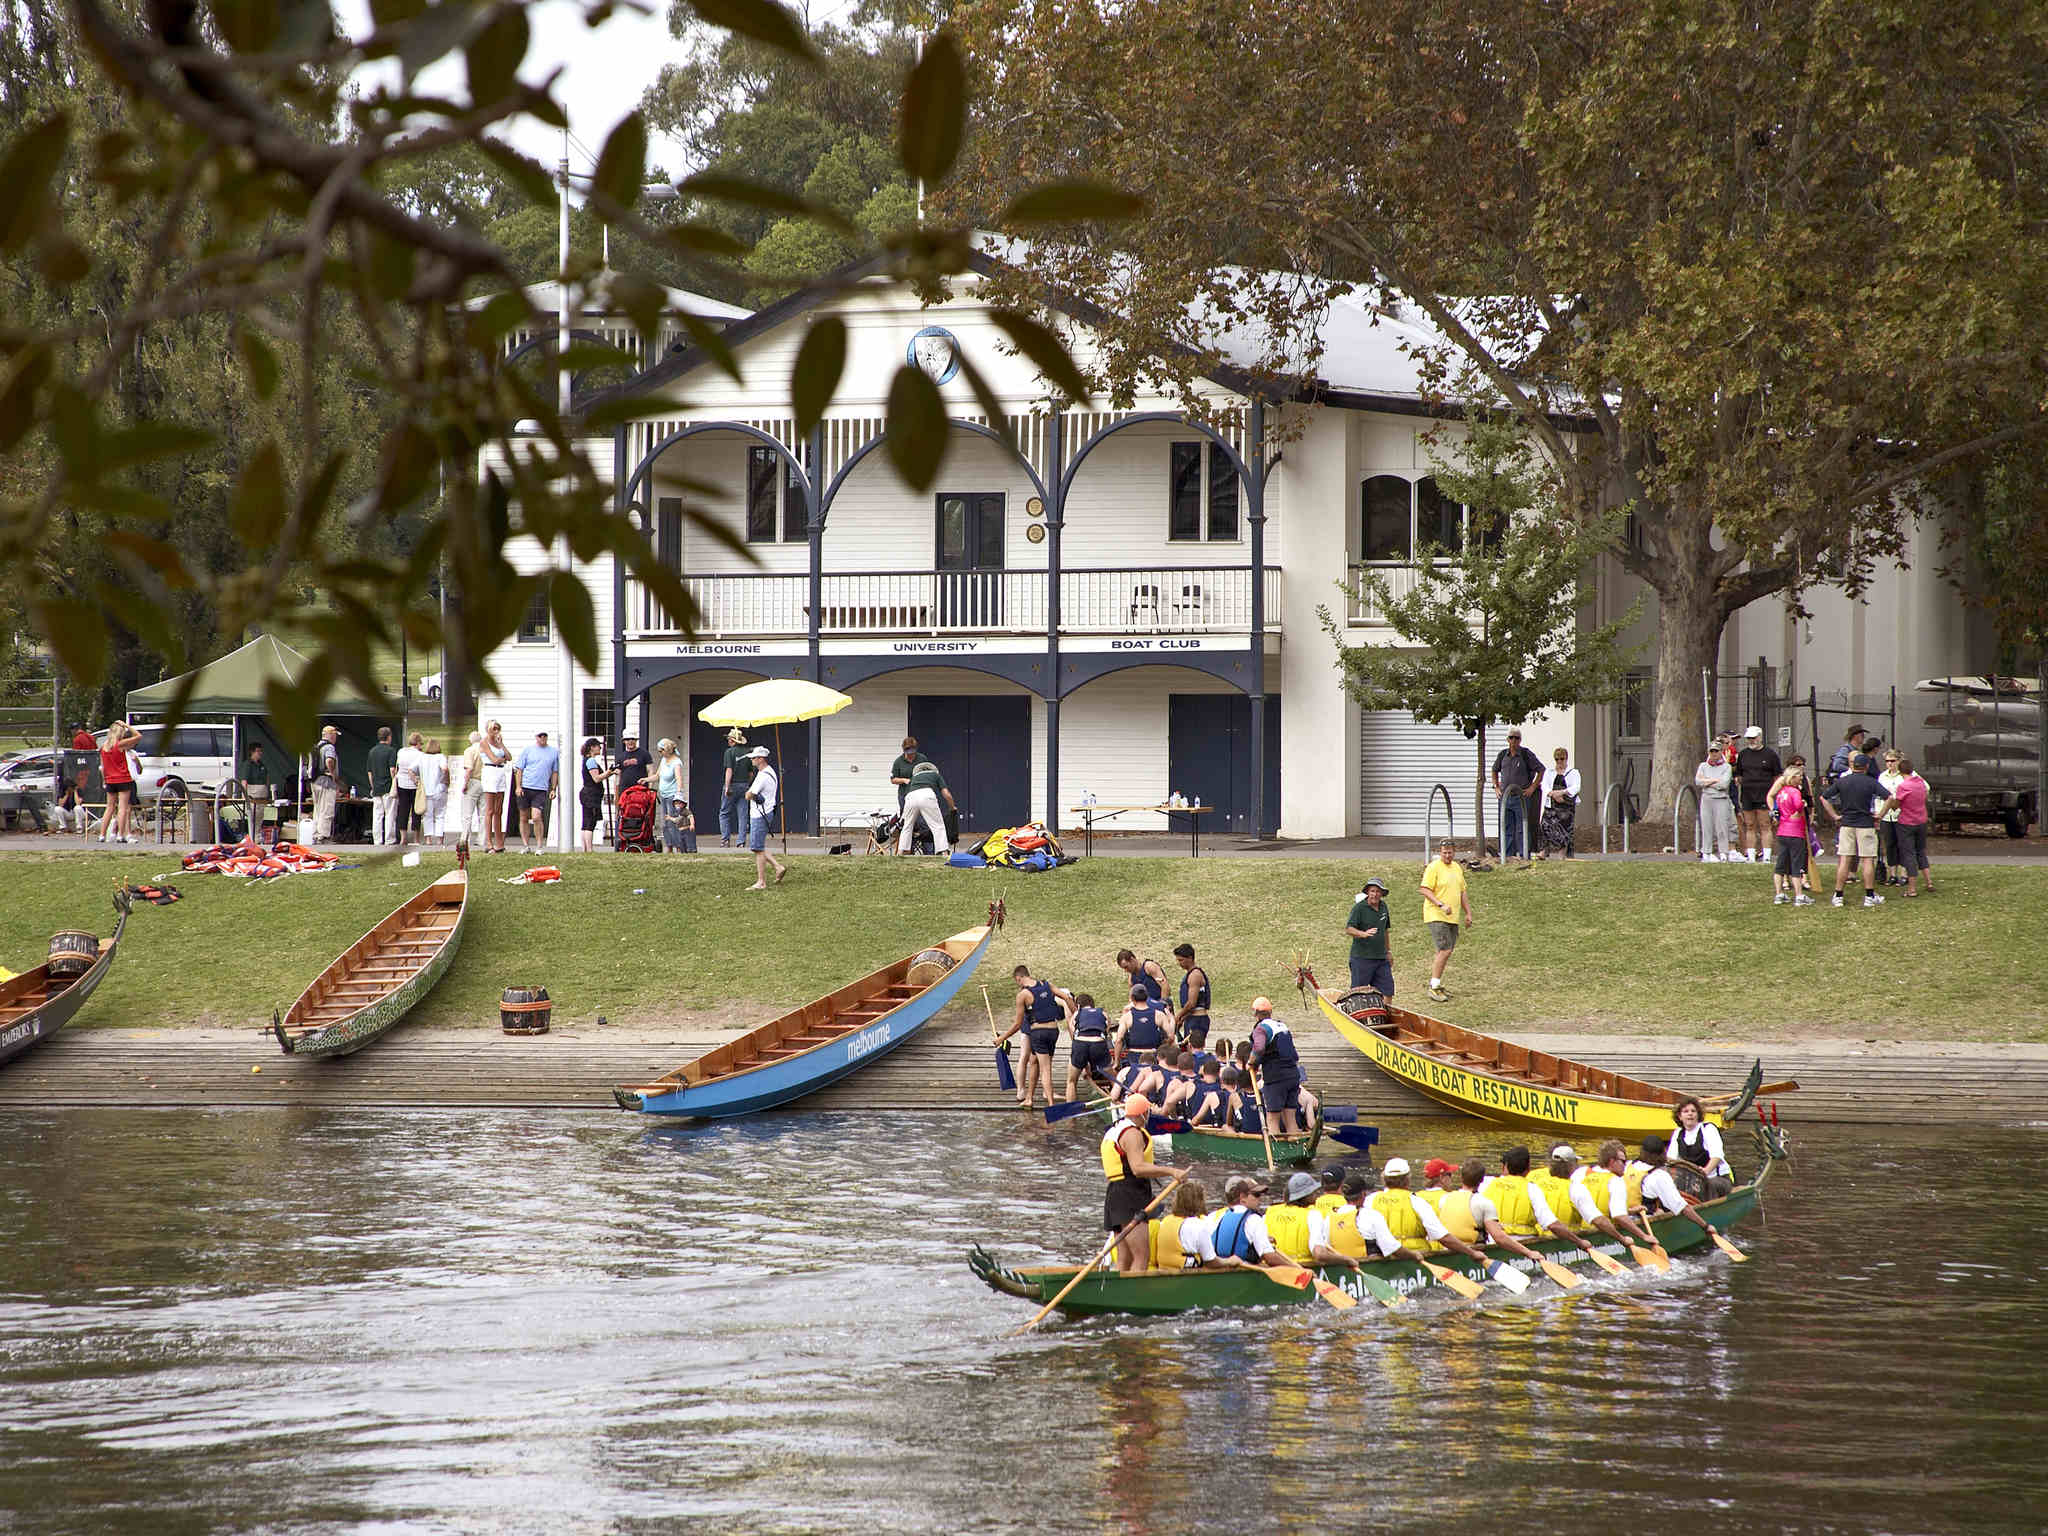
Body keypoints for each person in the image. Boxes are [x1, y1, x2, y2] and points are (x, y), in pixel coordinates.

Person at [1101, 1093, 1180, 1275]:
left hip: (1115, 1193)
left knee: (1124, 1257)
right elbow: (1137, 1168)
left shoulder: (1115, 1128)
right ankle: (1132, 1293)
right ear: (1142, 1113)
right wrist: (1171, 1171)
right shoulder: (1132, 1133)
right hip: (1130, 1194)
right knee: (1141, 1255)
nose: (1148, 1117)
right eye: (1147, 1113)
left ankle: (1118, 1293)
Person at [1364, 1158, 1491, 1265]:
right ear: (1408, 1179)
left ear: (1384, 1179)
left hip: (1382, 1257)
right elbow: (1443, 1237)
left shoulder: (1370, 1200)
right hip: (1416, 1258)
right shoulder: (1416, 1202)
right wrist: (1472, 1253)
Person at [1483, 1144, 1594, 1258]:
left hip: (1494, 1241)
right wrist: (1579, 1242)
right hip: (1525, 1243)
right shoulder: (1531, 1189)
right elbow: (1552, 1225)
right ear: (1528, 1169)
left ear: (1505, 1167)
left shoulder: (1489, 1184)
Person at [1437, 1157, 1550, 1267]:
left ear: (1461, 1178)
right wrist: (1529, 1253)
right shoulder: (1483, 1203)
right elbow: (1499, 1238)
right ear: (1481, 1180)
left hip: (1446, 1251)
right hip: (1474, 1255)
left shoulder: (1444, 1199)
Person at [1000, 964, 1074, 1109]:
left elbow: (1017, 1024)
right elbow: (1066, 997)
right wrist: (1077, 1015)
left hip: (1038, 1034)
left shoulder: (1023, 995)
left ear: (1018, 978)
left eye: (1017, 981)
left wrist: (1002, 1038)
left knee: (1045, 1069)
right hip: (1054, 1032)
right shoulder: (1046, 984)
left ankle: (1052, 1105)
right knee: (1033, 1061)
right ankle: (1029, 1098)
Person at [1262, 1171, 1359, 1271]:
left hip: (1274, 1271)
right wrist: (1347, 1260)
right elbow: (1319, 1254)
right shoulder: (1312, 1215)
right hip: (1302, 1271)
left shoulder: (1268, 1214)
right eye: (1313, 1192)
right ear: (1306, 1195)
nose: (1317, 1194)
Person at [1830, 751, 1890, 908]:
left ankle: (1838, 895)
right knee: (1867, 860)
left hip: (1847, 824)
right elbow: (1890, 797)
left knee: (1845, 860)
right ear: (1866, 766)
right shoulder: (1870, 782)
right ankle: (1869, 896)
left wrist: (1834, 815)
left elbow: (1824, 797)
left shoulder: (1843, 781)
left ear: (1853, 765)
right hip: (1865, 824)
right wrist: (1880, 815)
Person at [1635, 1135, 1724, 1241]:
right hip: (1644, 1218)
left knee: (1659, 1207)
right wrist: (1706, 1226)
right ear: (1660, 1155)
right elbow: (1682, 1208)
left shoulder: (1629, 1166)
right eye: (1665, 1153)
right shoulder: (1659, 1176)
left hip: (1628, 1215)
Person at [1580, 1140, 1661, 1249]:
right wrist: (1644, 1236)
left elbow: (1600, 1207)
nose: (1625, 1165)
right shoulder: (1615, 1181)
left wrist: (1629, 1210)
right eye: (1623, 1161)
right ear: (1612, 1161)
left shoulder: (1586, 1179)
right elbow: (1619, 1217)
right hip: (1606, 1234)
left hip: (1585, 1230)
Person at [1420, 839, 1473, 1003]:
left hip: (1453, 917)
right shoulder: (1434, 867)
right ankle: (1433, 986)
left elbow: (1462, 892)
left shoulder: (1457, 868)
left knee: (1444, 951)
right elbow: (1424, 889)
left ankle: (1437, 983)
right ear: (1440, 852)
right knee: (1445, 949)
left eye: (1450, 852)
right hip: (1436, 915)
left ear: (1454, 852)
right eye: (1444, 852)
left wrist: (1468, 913)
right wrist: (1440, 904)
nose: (1447, 855)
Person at [1245, 996, 1305, 1138]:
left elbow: (1259, 1048)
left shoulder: (1261, 1028)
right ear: (1270, 1012)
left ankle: (1275, 1152)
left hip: (1276, 1078)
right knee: (1290, 1118)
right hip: (1293, 1075)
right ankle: (1295, 1144)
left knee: (1272, 1118)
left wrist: (1251, 1063)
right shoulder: (1282, 1026)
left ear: (1256, 1014)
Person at [1491, 727, 1543, 862]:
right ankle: (1507, 855)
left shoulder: (1526, 754)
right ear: (1507, 739)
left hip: (1521, 797)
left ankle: (1524, 854)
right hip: (1505, 797)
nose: (1514, 740)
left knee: (1522, 827)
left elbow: (1540, 770)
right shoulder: (1503, 755)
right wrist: (1496, 787)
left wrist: (1532, 787)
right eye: (1511, 737)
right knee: (1506, 826)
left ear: (1520, 740)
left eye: (1517, 738)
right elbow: (1494, 770)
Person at [1733, 725, 1783, 863]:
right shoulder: (1743, 754)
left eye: (1754, 738)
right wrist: (1739, 780)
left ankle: (1766, 856)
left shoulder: (1770, 754)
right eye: (1749, 738)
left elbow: (1777, 775)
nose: (1751, 741)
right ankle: (1750, 855)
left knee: (1765, 824)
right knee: (1749, 825)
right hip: (1747, 794)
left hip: (1764, 794)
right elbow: (1739, 773)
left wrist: (1774, 794)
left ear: (1760, 737)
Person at [1210, 1175, 1284, 1268]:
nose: (1259, 1199)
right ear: (1242, 1198)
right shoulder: (1254, 1219)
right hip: (1243, 1273)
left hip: (1219, 1272)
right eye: (1256, 1195)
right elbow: (1270, 1258)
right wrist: (1296, 1269)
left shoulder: (1217, 1216)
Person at [1769, 760, 1815, 906]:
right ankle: (1799, 896)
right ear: (1793, 777)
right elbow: (1798, 805)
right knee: (1796, 864)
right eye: (1799, 776)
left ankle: (1779, 894)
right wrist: (1804, 804)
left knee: (1780, 864)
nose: (1801, 778)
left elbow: (1779, 807)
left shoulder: (1781, 792)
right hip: (1795, 832)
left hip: (1782, 832)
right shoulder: (1795, 792)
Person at [1668, 1096, 1734, 1197]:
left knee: (1704, 1187)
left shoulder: (1708, 1129)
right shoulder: (1678, 1133)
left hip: (1717, 1178)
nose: (1690, 1114)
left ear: (1698, 1115)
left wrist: (1704, 1172)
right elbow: (1671, 1160)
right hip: (1691, 1180)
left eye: (1693, 1111)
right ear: (1680, 1116)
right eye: (1686, 1111)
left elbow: (1717, 1156)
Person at [742, 743, 787, 890]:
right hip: (766, 812)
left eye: (754, 758)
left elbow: (749, 795)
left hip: (759, 814)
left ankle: (761, 881)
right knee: (758, 846)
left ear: (761, 758)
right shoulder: (770, 771)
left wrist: (750, 793)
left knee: (757, 848)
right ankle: (777, 867)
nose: (752, 760)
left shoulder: (762, 776)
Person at [1891, 756, 1933, 896]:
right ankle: (1929, 882)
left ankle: (1912, 889)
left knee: (1909, 855)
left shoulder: (1903, 786)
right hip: (1921, 820)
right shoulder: (1920, 783)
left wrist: (1891, 802)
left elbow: (1896, 805)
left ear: (1899, 771)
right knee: (1921, 851)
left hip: (1906, 823)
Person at [1344, 876, 1394, 994]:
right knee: (1358, 994)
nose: (1375, 894)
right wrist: (1363, 934)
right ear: (1367, 892)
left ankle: (1384, 1013)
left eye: (1378, 891)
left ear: (1382, 893)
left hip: (1381, 959)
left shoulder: (1383, 906)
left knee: (1387, 992)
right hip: (1361, 959)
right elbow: (1349, 929)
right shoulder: (1359, 908)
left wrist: (1388, 951)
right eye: (1372, 891)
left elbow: (1385, 930)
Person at [897, 756, 954, 855]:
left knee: (907, 825)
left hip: (910, 797)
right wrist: (952, 807)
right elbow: (946, 794)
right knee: (937, 825)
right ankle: (944, 852)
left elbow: (908, 792)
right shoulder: (936, 775)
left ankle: (900, 852)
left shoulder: (915, 777)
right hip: (927, 794)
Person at [514, 730, 560, 853]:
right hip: (526, 787)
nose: (543, 738)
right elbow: (519, 769)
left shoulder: (554, 752)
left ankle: (539, 846)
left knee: (536, 816)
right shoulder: (528, 750)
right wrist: (518, 786)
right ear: (536, 737)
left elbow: (555, 772)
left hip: (541, 789)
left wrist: (553, 788)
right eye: (540, 736)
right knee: (523, 816)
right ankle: (525, 845)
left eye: (545, 736)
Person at [97, 721, 141, 843]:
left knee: (109, 807)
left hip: (110, 780)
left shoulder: (104, 747)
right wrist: (127, 726)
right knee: (122, 808)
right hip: (122, 779)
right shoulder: (120, 744)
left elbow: (103, 766)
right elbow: (138, 736)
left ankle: (102, 834)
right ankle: (120, 835)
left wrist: (105, 780)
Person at [1065, 992, 1114, 1101]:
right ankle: (1118, 1099)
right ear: (1092, 1004)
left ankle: (1071, 1115)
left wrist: (1084, 1064)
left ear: (1078, 1006)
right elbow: (1105, 1033)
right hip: (1098, 1044)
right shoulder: (1103, 1013)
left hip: (1080, 1044)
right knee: (1114, 1079)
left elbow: (1074, 1036)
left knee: (1071, 1081)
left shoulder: (1076, 1015)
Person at [1694, 739, 1736, 861]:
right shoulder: (1703, 766)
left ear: (1720, 752)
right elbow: (1698, 781)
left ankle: (1723, 852)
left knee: (1722, 826)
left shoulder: (1726, 767)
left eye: (1716, 751)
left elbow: (1723, 784)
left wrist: (1707, 781)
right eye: (1711, 751)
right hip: (1706, 798)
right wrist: (1714, 780)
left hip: (1721, 799)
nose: (1713, 754)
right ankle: (1707, 852)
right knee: (1707, 826)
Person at [1539, 746, 1581, 859]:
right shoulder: (1549, 772)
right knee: (1545, 825)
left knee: (1564, 828)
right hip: (1552, 804)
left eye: (1561, 759)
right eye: (1557, 759)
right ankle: (1544, 849)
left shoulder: (1573, 772)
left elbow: (1576, 787)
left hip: (1565, 806)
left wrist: (1562, 792)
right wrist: (1552, 793)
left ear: (1566, 759)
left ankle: (1562, 850)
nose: (1559, 762)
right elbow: (1544, 785)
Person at [478, 721, 512, 854]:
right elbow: (494, 759)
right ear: (488, 730)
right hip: (490, 772)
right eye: (493, 729)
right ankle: (488, 842)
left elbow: (508, 757)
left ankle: (499, 842)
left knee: (499, 810)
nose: (496, 731)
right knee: (490, 810)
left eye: (497, 728)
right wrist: (501, 759)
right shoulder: (484, 742)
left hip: (500, 773)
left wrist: (501, 744)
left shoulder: (499, 743)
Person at [1115, 981, 1171, 1062]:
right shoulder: (1159, 1015)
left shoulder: (1127, 1017)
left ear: (1132, 998)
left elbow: (1118, 1040)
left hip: (1134, 1057)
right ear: (1147, 997)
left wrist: (1116, 1061)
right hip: (1153, 1056)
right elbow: (1171, 1036)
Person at [1170, 943, 1212, 1048]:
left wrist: (1178, 1016)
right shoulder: (1190, 974)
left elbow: (1192, 1003)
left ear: (1190, 958)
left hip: (1197, 1019)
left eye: (1181, 960)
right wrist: (1182, 1019)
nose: (1179, 963)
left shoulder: (1195, 975)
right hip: (1191, 1018)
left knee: (1194, 1050)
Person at [1877, 749, 1906, 888]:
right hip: (1887, 816)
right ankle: (1892, 874)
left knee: (1903, 844)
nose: (1889, 764)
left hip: (1902, 814)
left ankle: (1904, 874)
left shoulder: (1906, 775)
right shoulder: (1882, 776)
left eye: (1892, 761)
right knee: (1890, 845)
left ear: (1899, 761)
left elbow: (1924, 787)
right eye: (1887, 761)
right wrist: (1879, 814)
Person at [366, 726, 398, 846]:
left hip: (376, 788)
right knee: (390, 814)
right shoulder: (391, 751)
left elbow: (370, 773)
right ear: (389, 737)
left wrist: (373, 786)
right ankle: (389, 840)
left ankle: (377, 840)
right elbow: (392, 770)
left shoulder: (372, 751)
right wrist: (394, 783)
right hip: (388, 787)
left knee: (377, 815)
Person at [719, 728, 749, 847]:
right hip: (744, 785)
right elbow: (751, 773)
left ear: (732, 740)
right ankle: (741, 842)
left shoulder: (729, 752)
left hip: (732, 785)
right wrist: (747, 784)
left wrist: (727, 787)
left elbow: (729, 770)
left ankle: (725, 840)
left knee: (724, 813)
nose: (728, 741)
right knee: (742, 815)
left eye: (729, 739)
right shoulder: (747, 752)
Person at [311, 724, 342, 844]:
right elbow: (329, 760)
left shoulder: (316, 746)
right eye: (335, 735)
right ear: (330, 735)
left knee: (317, 809)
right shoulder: (329, 747)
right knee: (327, 809)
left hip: (315, 781)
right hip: (326, 781)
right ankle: (323, 837)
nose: (335, 738)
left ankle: (316, 834)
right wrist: (333, 774)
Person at [394, 730, 424, 847]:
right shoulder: (420, 755)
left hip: (402, 784)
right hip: (415, 785)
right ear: (418, 743)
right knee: (416, 811)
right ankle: (416, 838)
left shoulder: (401, 751)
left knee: (403, 811)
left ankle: (403, 838)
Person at [578, 737, 608, 853]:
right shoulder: (591, 761)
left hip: (586, 794)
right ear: (592, 748)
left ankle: (585, 849)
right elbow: (596, 778)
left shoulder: (585, 760)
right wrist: (609, 773)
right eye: (598, 746)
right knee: (590, 822)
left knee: (585, 822)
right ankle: (589, 849)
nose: (600, 748)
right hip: (591, 795)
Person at [420, 737, 449, 845]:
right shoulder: (440, 757)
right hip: (439, 789)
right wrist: (444, 780)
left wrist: (417, 781)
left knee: (428, 816)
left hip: (426, 790)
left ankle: (428, 839)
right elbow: (445, 768)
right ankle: (439, 839)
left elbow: (411, 770)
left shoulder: (422, 757)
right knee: (440, 815)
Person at [457, 731, 485, 845]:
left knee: (467, 813)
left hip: (473, 781)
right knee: (483, 814)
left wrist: (465, 784)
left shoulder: (469, 750)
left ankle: (465, 838)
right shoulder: (486, 750)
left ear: (471, 740)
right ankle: (482, 839)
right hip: (485, 782)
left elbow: (469, 768)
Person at [889, 736, 921, 809]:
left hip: (919, 793)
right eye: (908, 753)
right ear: (904, 750)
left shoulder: (922, 759)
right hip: (904, 794)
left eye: (913, 753)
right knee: (906, 817)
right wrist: (903, 780)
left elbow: (928, 773)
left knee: (920, 818)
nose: (911, 755)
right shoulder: (898, 762)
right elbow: (893, 780)